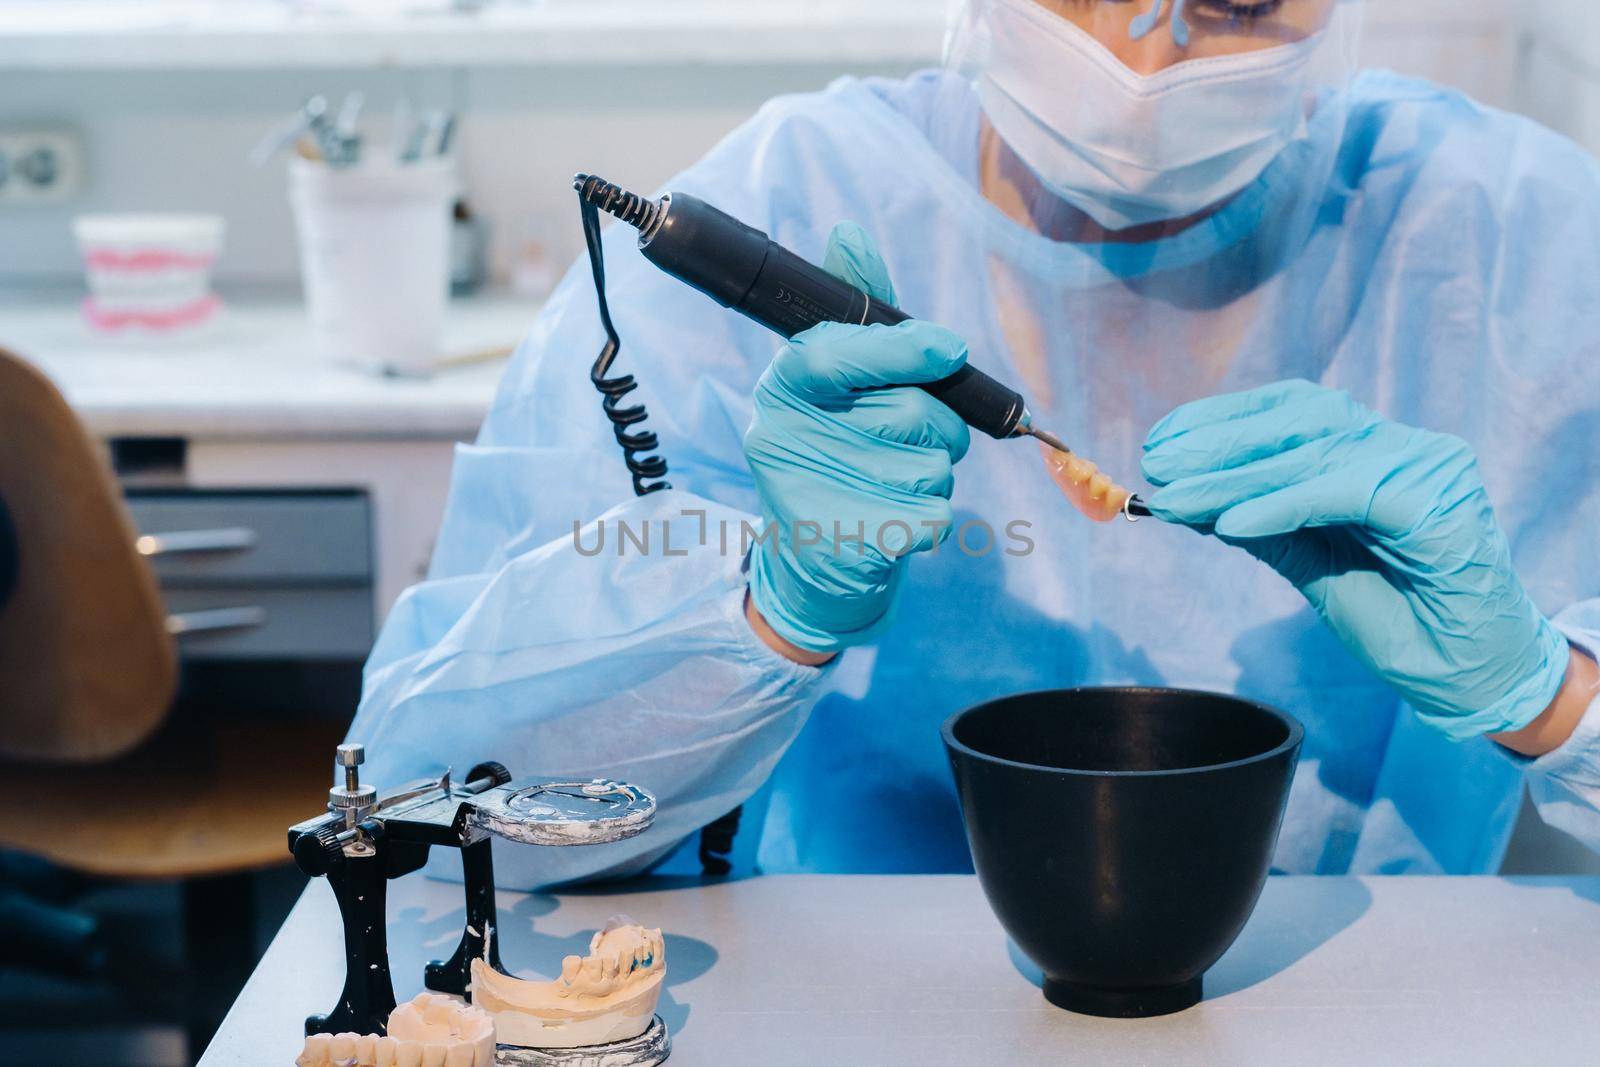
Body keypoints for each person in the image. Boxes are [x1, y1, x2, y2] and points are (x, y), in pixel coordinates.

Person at [349, 0, 1600, 886]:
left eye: (1234, 2)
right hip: (855, 1000)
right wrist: (771, 611)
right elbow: (441, 812)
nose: (1141, 58)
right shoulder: (798, 199)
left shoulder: (1517, 245)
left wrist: (1551, 694)